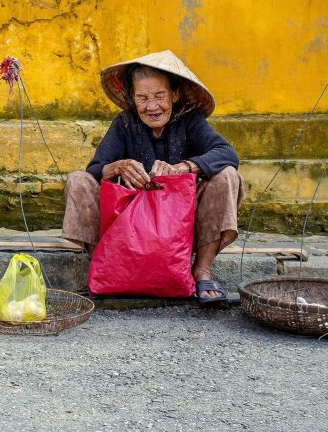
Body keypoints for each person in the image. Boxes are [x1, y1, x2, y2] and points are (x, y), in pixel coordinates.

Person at [62, 50, 243, 305]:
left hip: (178, 231)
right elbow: (94, 169)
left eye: (159, 96)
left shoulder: (190, 121)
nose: (152, 106)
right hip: (128, 233)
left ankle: (202, 271)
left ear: (175, 94)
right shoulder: (125, 122)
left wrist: (184, 168)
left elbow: (227, 153)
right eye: (142, 98)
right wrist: (118, 167)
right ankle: (108, 266)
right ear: (134, 100)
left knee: (226, 175)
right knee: (77, 180)